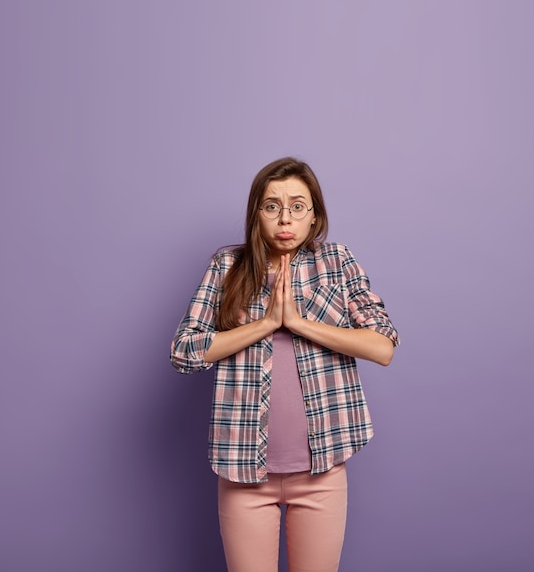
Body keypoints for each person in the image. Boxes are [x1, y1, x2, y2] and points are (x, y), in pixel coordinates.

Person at [170, 157, 399, 572]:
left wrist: (297, 324)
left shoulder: (337, 262)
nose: (284, 218)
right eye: (271, 206)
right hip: (243, 473)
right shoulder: (227, 266)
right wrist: (266, 324)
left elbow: (383, 346)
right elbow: (184, 352)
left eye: (298, 206)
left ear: (315, 216)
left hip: (321, 473)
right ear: (256, 213)